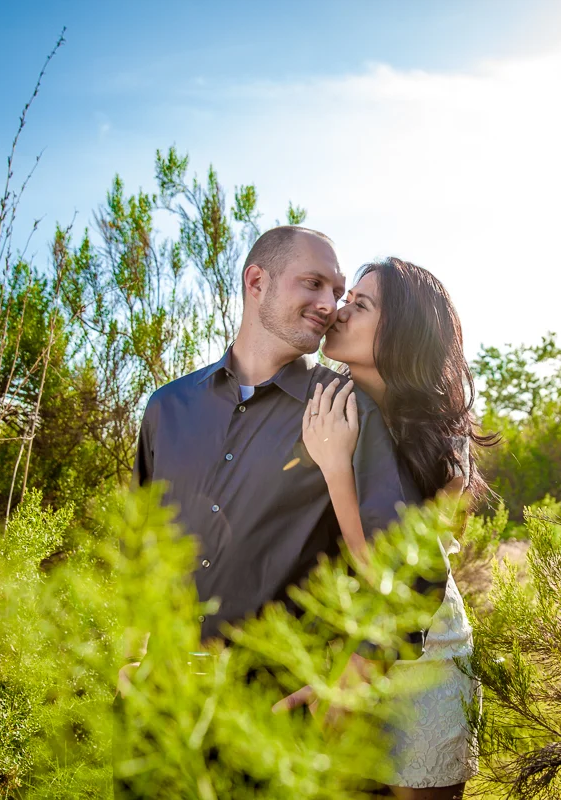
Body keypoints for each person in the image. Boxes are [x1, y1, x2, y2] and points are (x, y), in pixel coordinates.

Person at [124, 227, 443, 788]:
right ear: (256, 282)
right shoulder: (167, 408)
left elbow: (413, 570)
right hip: (159, 713)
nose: (330, 305)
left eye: (338, 291)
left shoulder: (345, 410)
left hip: (278, 725)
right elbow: (142, 549)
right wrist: (131, 653)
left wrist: (352, 676)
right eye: (314, 284)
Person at [300, 257, 494, 800]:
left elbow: (397, 579)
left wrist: (337, 469)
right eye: (347, 299)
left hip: (426, 661)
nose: (339, 311)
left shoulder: (443, 442)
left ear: (403, 333)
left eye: (360, 305)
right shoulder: (332, 404)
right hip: (350, 652)